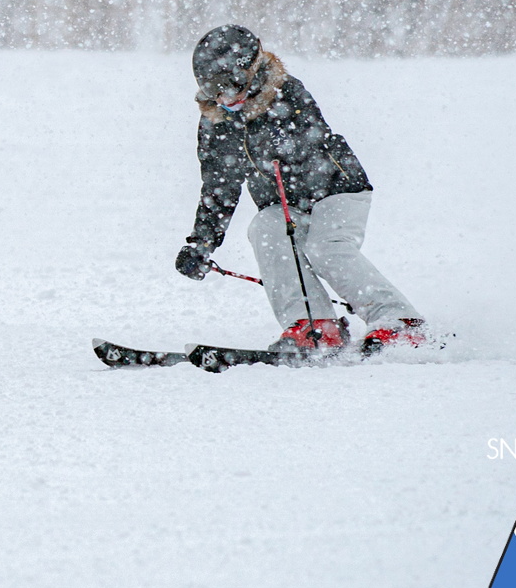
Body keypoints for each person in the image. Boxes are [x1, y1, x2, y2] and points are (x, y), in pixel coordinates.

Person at [174, 24, 426, 357]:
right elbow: (219, 186)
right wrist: (203, 242)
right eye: (214, 89)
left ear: (250, 71)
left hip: (335, 190)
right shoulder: (217, 122)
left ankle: (400, 321)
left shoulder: (285, 92)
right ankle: (316, 327)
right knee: (264, 228)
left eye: (231, 85)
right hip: (283, 203)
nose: (225, 98)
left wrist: (284, 144)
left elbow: (311, 134)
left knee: (325, 247)